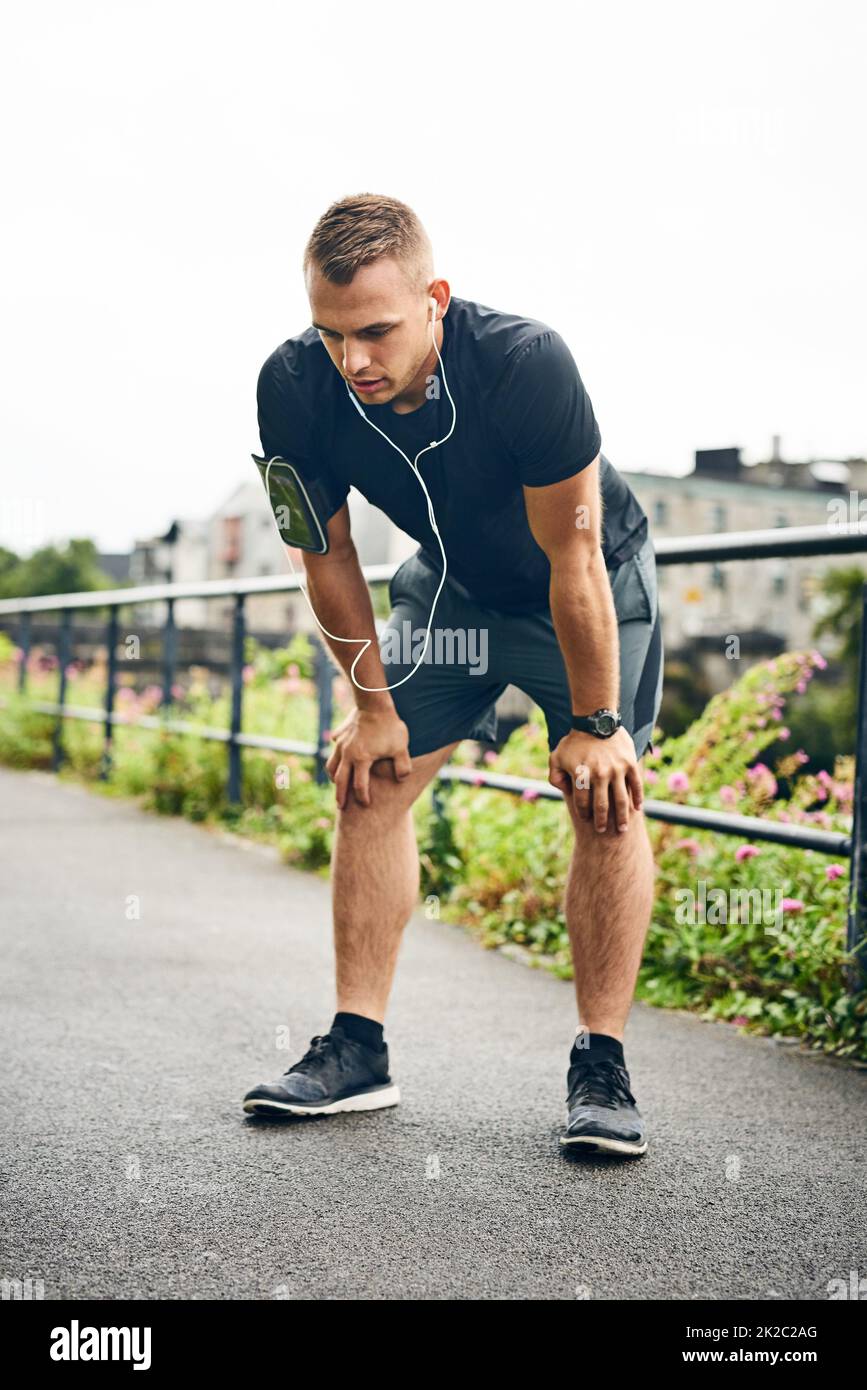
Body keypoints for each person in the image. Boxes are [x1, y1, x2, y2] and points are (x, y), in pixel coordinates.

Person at [242, 193, 664, 1157]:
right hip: (453, 592)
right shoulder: (294, 385)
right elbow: (326, 556)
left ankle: (601, 1065)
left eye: (378, 331)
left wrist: (597, 721)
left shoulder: (525, 365)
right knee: (368, 776)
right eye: (332, 333)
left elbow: (575, 560)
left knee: (605, 798)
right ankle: (357, 1052)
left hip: (587, 589)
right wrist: (372, 708)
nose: (354, 362)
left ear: (435, 298)